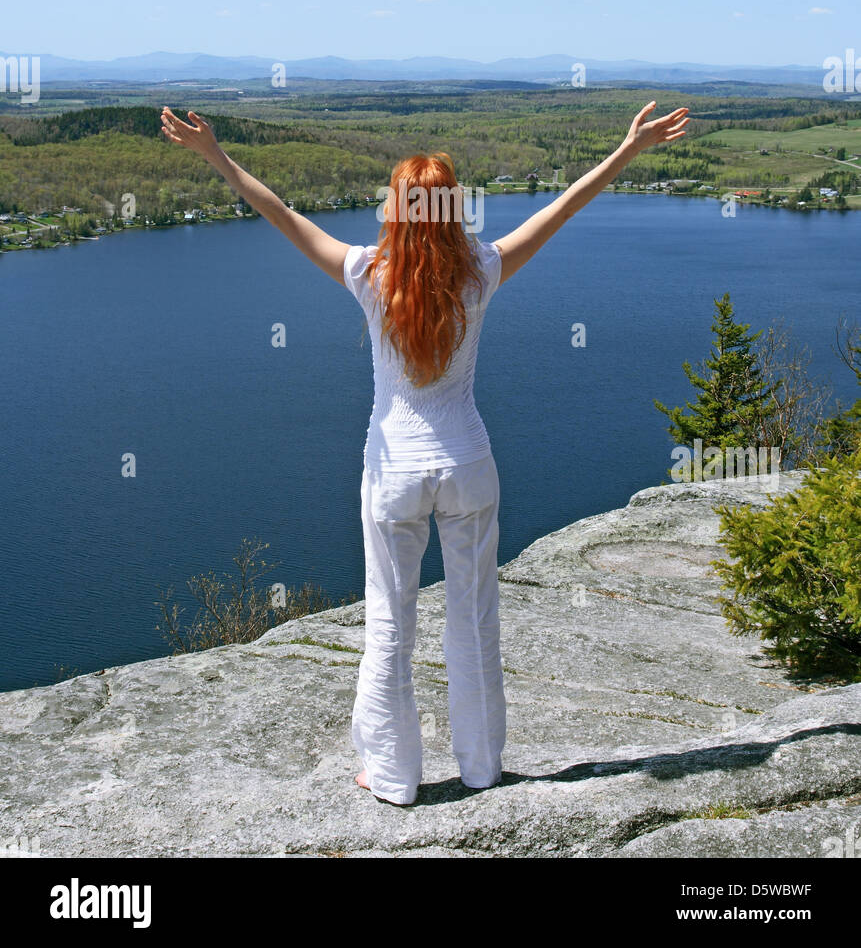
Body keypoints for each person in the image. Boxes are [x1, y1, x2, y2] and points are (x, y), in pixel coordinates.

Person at [160, 99, 689, 805]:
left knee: (389, 620)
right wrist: (627, 149)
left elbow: (282, 215)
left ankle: (394, 776)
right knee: (473, 618)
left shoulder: (367, 273)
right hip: (468, 466)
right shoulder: (481, 269)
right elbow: (561, 209)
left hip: (393, 475)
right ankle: (479, 767)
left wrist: (216, 157)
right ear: (452, 210)